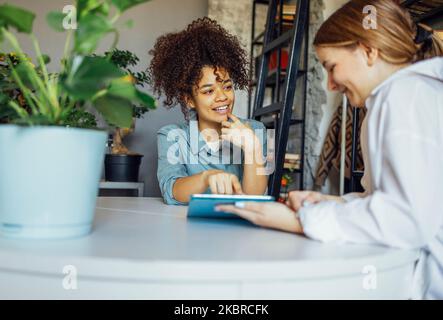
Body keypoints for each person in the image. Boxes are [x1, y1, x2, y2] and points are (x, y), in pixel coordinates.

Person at [216, 0, 443, 299]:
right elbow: (399, 200)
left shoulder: (404, 98)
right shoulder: (396, 100)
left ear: (368, 51)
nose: (332, 85)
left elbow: (407, 220)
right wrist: (333, 203)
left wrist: (300, 222)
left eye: (331, 67)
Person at [149, 17, 269, 205]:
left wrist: (252, 148)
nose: (222, 97)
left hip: (241, 233)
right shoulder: (173, 135)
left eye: (227, 87)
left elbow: (255, 200)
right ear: (190, 100)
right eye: (209, 91)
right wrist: (206, 178)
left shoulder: (255, 130)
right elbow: (171, 191)